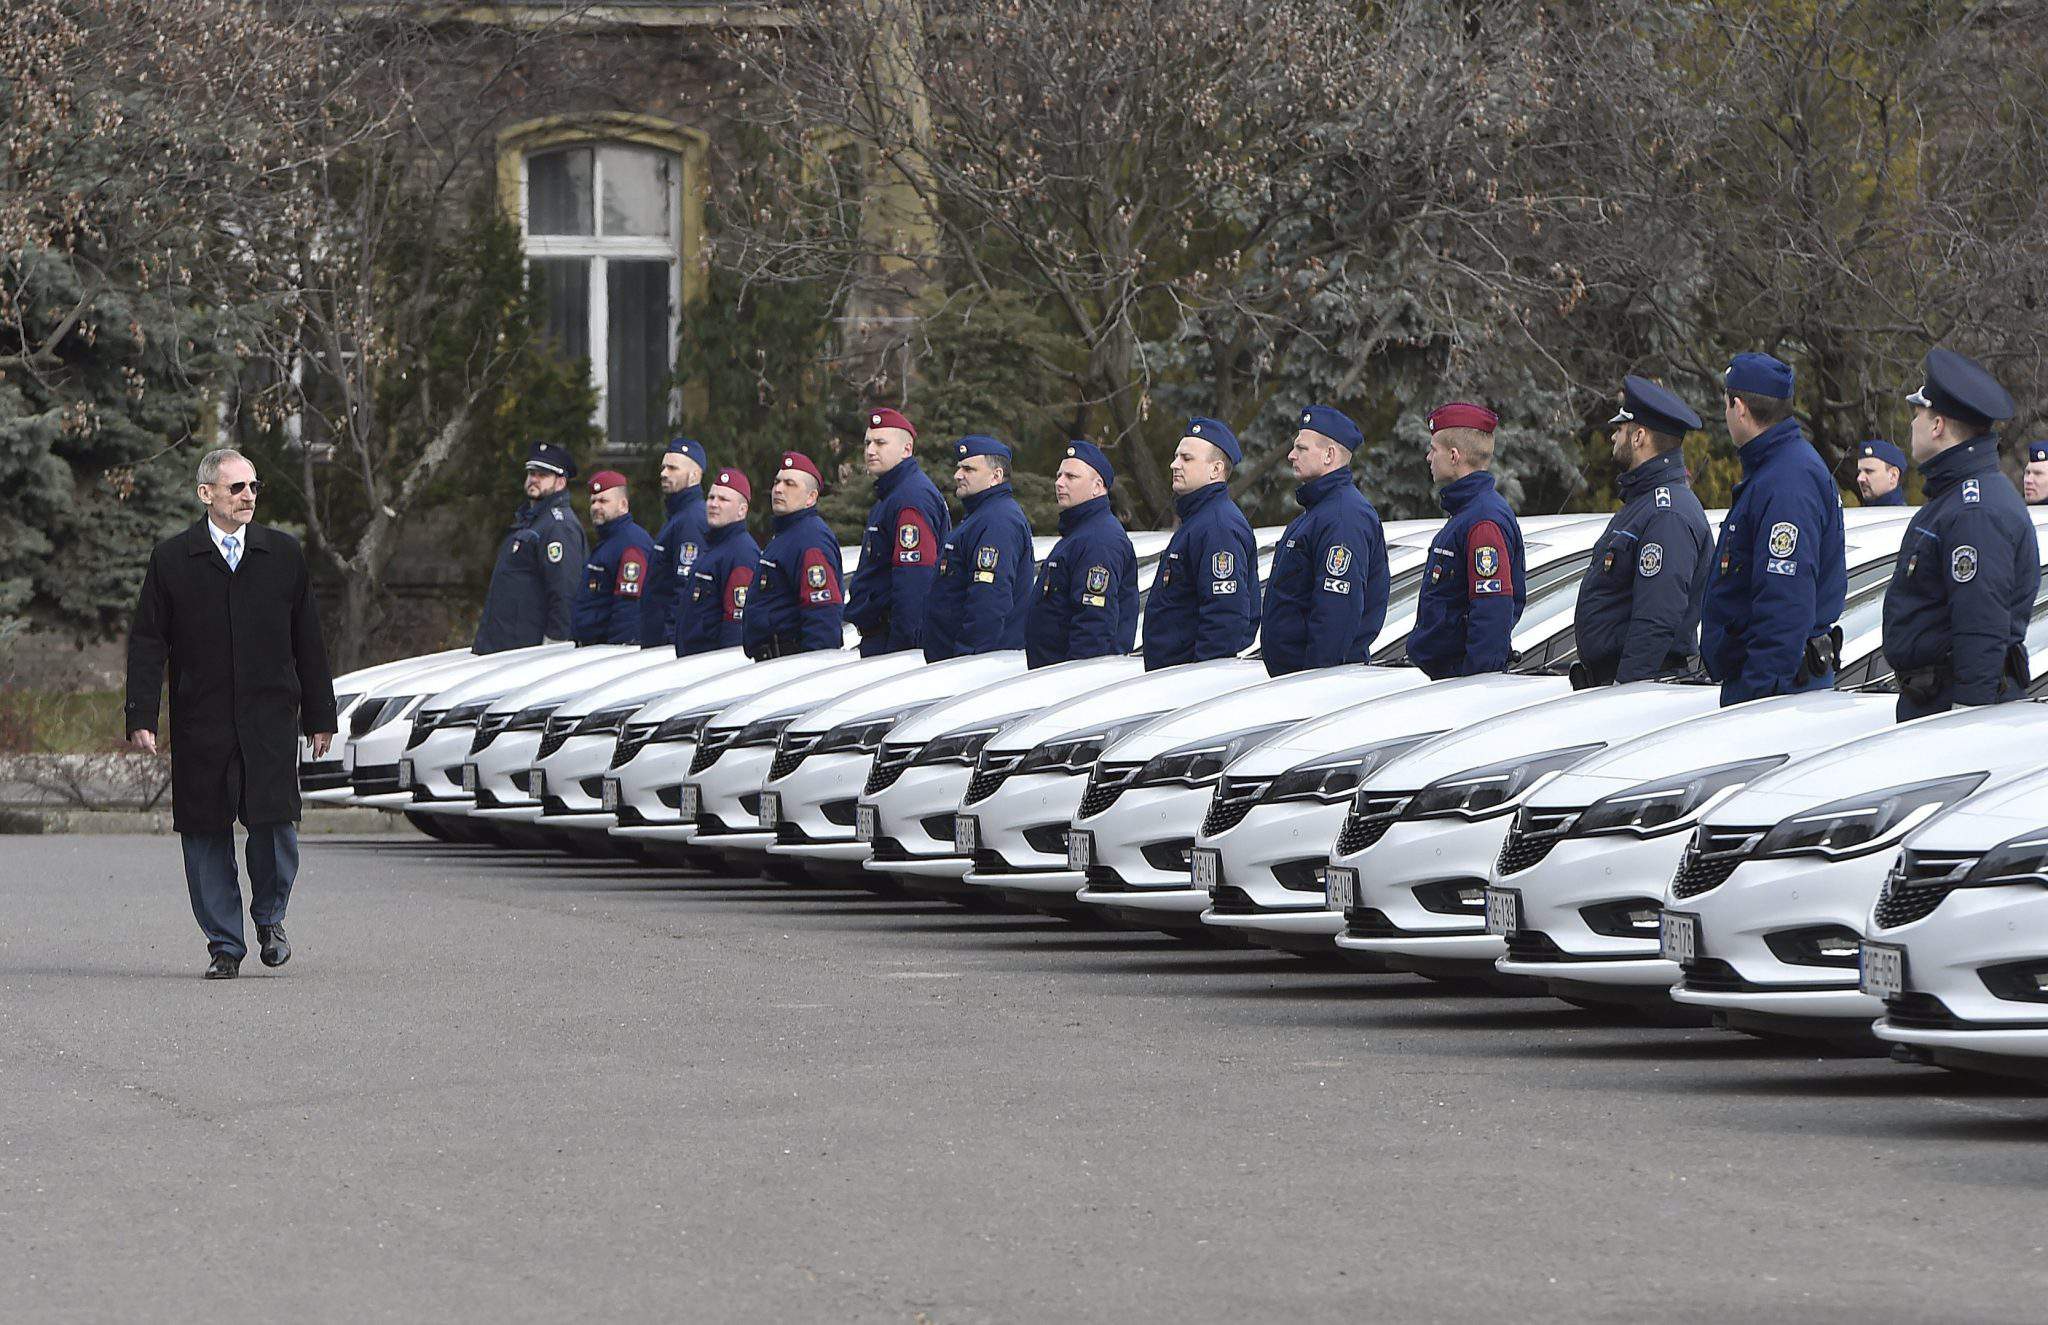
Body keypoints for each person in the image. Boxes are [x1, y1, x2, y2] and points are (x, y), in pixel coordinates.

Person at [124, 448, 336, 980]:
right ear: (206, 494)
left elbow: (308, 639)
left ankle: (270, 918)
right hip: (203, 720)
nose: (248, 496)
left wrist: (320, 715)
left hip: (268, 718)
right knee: (204, 832)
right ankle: (224, 944)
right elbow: (149, 642)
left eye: (253, 487)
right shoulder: (173, 559)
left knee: (274, 826)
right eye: (236, 487)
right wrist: (141, 713)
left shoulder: (282, 555)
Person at [1881, 349, 2039, 721]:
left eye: (1917, 414)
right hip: (1931, 700)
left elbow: (1980, 630)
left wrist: (1963, 722)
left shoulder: (1974, 511)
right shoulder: (1957, 497)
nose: (1912, 425)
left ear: (1937, 426)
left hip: (1947, 706)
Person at [1698, 353, 1848, 706]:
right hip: (1776, 684)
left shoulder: (1787, 482)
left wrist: (1757, 696)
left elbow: (1785, 604)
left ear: (1739, 408)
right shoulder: (1775, 471)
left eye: (1726, 406)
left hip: (1778, 691)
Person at [1571, 376, 1714, 688]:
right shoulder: (1644, 504)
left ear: (1639, 437)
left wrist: (1627, 690)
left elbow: (1657, 618)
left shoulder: (1667, 513)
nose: (1613, 438)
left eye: (1620, 429)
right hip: (1621, 683)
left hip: (1641, 687)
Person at [1259, 405, 1387, 676]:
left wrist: (1317, 682)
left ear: (1329, 455)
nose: (1291, 455)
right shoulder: (1319, 512)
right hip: (1298, 680)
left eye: (1302, 449)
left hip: (1317, 685)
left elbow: (1336, 614)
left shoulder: (1343, 517)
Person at [1406, 403, 1526, 679]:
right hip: (1451, 679)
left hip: (1462, 684)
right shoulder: (1467, 513)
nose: (1428, 457)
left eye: (1433, 449)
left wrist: (1475, 686)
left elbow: (1491, 613)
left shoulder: (1483, 520)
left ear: (1454, 455)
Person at [1140, 417, 1263, 670]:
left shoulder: (1218, 527)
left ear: (1215, 470)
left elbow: (1225, 617)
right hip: (1175, 677)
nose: (1174, 464)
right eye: (1176, 457)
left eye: (1186, 459)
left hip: (1188, 683)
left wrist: (1200, 678)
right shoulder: (1199, 521)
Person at [844, 407, 951, 656]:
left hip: (893, 644)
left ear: (906, 449)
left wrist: (902, 652)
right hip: (881, 638)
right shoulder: (891, 496)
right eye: (868, 443)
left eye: (880, 443)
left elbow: (914, 582)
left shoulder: (910, 498)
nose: (870, 450)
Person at [1023, 440, 1138, 668]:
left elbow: (1094, 627)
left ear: (1097, 486)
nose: (1059, 483)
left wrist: (1075, 681)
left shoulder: (1099, 540)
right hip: (1055, 679)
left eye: (1071, 477)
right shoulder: (1078, 534)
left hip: (1072, 684)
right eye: (1059, 475)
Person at [923, 434, 1035, 661]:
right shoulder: (980, 517)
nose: (957, 475)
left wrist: (970, 659)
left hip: (976, 667)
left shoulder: (997, 521)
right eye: (958, 468)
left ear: (996, 476)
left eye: (968, 469)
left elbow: (989, 603)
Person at [472, 442, 586, 653]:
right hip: (503, 645)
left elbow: (564, 590)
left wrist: (555, 644)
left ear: (560, 483)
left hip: (525, 650)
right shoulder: (529, 521)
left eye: (543, 475)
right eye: (532, 473)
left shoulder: (558, 527)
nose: (534, 479)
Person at [744, 451, 846, 659]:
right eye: (777, 482)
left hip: (792, 665)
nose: (779, 489)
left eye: (790, 484)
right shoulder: (786, 536)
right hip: (776, 663)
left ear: (811, 498)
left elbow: (823, 617)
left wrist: (811, 675)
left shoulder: (810, 540)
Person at [677, 468, 762, 656]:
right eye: (711, 497)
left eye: (723, 500)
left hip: (713, 671)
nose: (714, 504)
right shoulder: (715, 547)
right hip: (696, 665)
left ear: (742, 510)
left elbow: (736, 629)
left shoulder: (742, 554)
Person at [639, 437, 711, 647]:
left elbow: (684, 588)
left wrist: (671, 641)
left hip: (667, 645)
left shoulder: (690, 521)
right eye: (663, 467)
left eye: (672, 468)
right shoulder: (677, 517)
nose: (663, 473)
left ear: (694, 475)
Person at [571, 470, 655, 645]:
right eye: (593, 501)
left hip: (610, 651)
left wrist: (617, 652)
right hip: (594, 647)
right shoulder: (609, 541)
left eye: (603, 501)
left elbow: (629, 607)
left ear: (623, 505)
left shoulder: (631, 544)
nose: (595, 507)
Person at [1854, 439, 1909, 507]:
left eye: (1869, 471)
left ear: (1893, 476)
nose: (1859, 478)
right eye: (1859, 472)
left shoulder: (1903, 516)